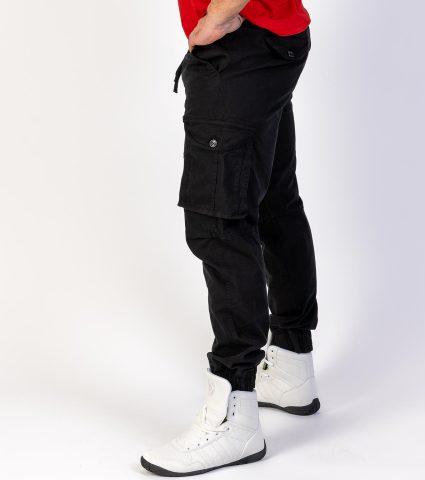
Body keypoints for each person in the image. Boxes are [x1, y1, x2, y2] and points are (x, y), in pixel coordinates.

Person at [141, 0, 319, 475]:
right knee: (273, 202)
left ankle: (233, 413)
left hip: (240, 44)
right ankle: (291, 363)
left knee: (218, 225)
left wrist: (217, 16)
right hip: (271, 39)